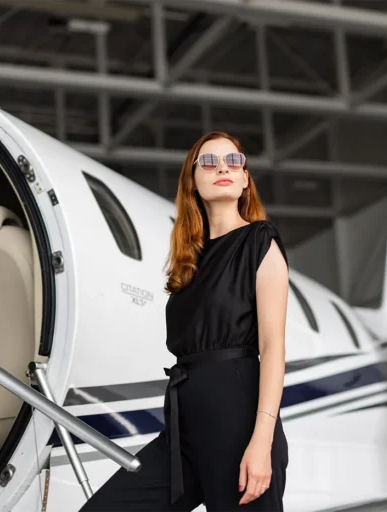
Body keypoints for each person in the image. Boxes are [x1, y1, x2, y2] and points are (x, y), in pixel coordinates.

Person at [80, 131, 290, 511]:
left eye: (233, 161)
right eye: (208, 162)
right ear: (193, 180)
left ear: (245, 179)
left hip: (239, 420)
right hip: (185, 428)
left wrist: (262, 440)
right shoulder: (189, 262)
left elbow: (273, 347)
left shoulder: (260, 241)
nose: (222, 167)